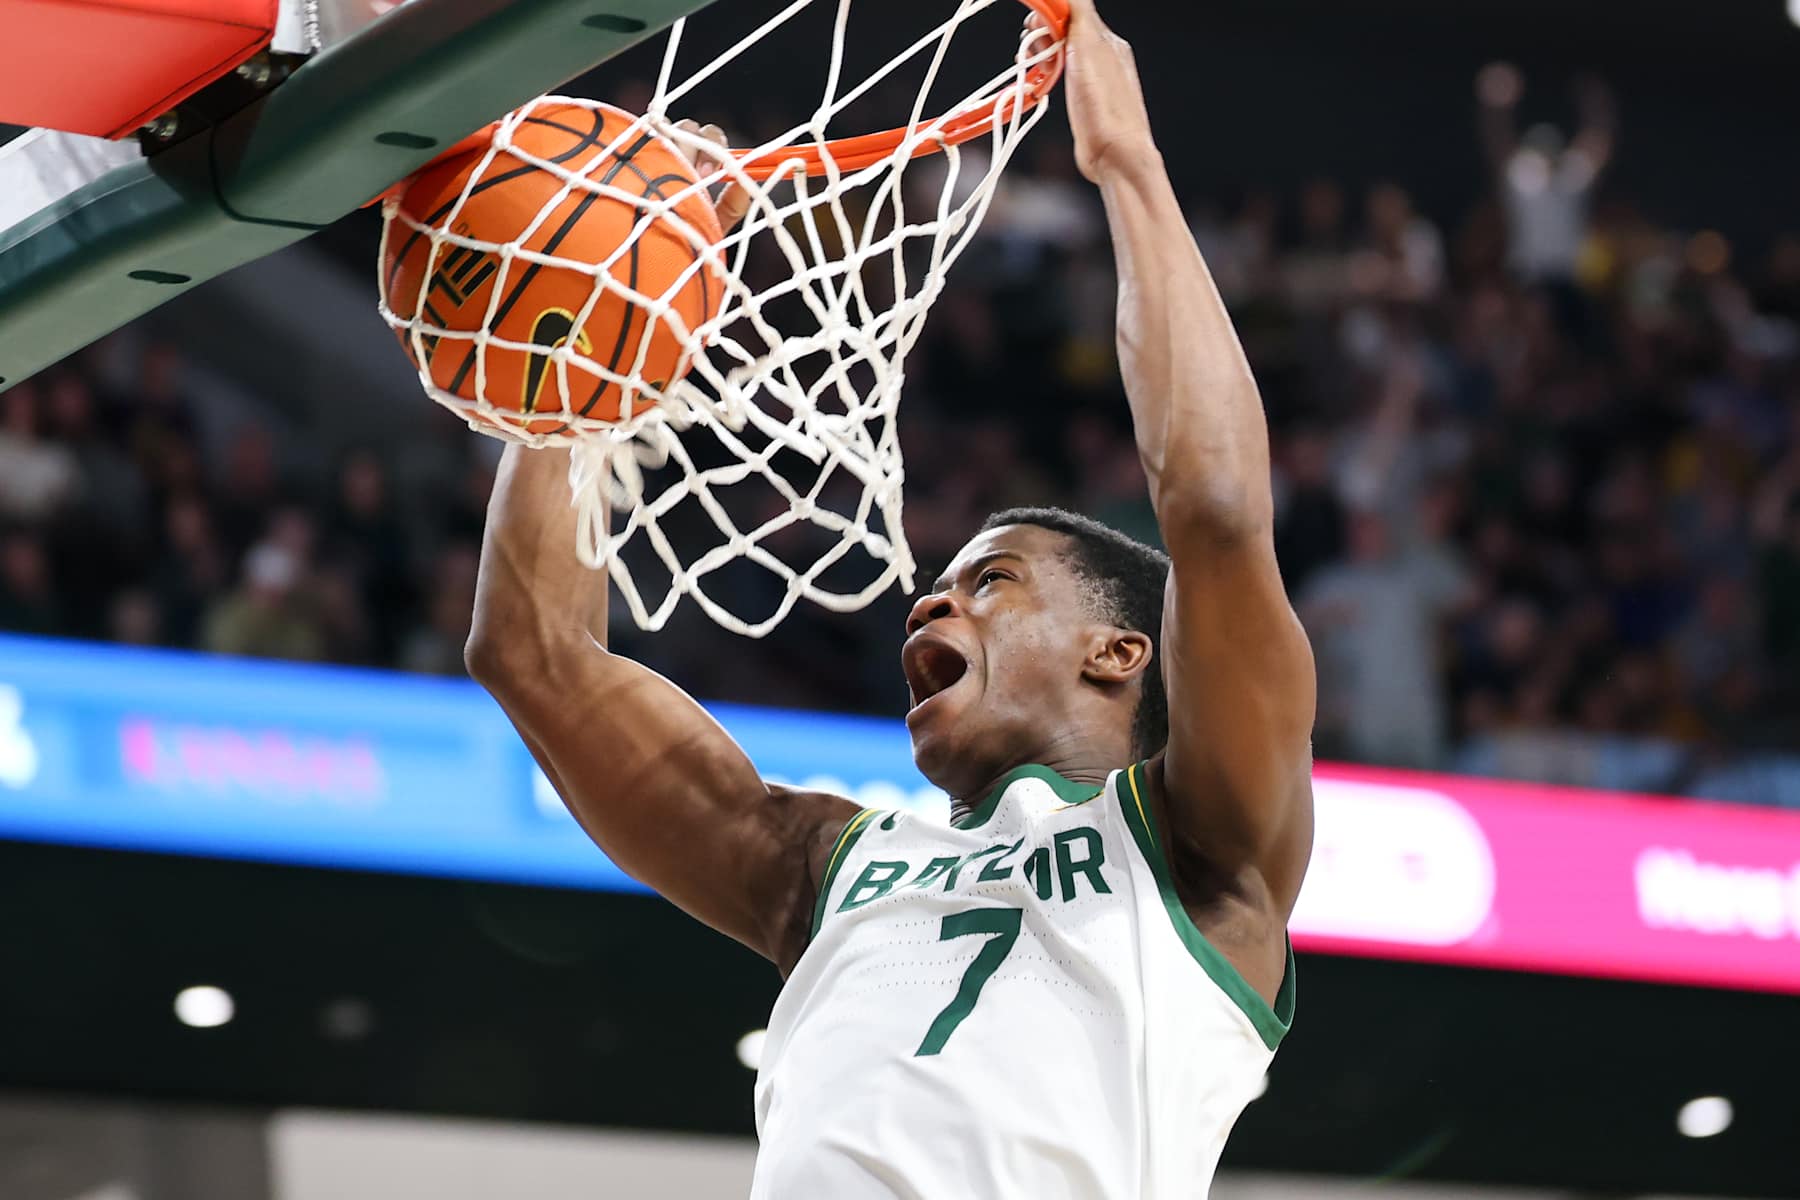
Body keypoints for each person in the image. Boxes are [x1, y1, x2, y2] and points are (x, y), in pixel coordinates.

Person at [463, 1, 1315, 1194]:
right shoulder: (821, 864)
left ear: (1120, 652)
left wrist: (1126, 160)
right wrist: (600, 343)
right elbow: (533, 655)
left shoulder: (1203, 849)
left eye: (992, 582)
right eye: (937, 589)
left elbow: (1218, 514)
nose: (928, 607)